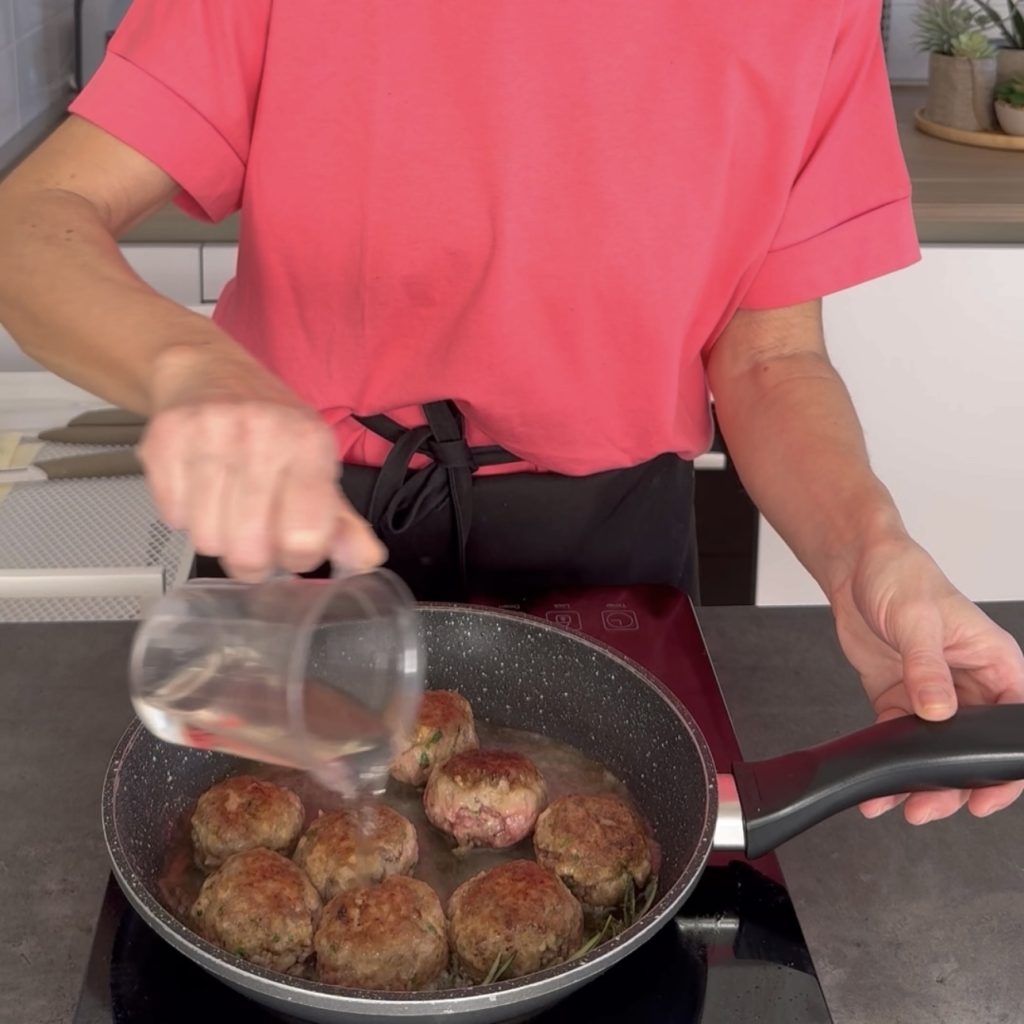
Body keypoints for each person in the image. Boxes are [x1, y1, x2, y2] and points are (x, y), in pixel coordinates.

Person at [0, 0, 1020, 827]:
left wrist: (865, 551)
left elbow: (772, 357)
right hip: (303, 526)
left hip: (613, 551)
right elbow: (34, 222)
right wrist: (192, 369)